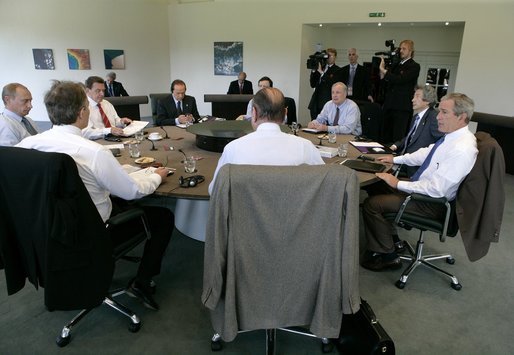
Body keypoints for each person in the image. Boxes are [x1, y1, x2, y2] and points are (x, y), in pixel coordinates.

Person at [16, 80, 174, 311]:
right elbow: (132, 191)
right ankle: (141, 283)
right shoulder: (93, 152)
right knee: (163, 217)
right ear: (82, 112)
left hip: (48, 231)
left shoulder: (25, 147)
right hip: (94, 232)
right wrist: (157, 176)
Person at [360, 93, 478, 271]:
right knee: (377, 184)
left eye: (444, 112)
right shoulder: (452, 138)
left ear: (461, 117)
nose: (437, 116)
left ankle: (388, 256)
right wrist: (395, 159)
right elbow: (426, 153)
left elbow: (436, 189)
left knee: (372, 204)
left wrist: (398, 183)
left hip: (432, 203)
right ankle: (391, 238)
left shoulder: (462, 149)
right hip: (424, 190)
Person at [209, 87, 324, 194]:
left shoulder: (233, 148)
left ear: (253, 113)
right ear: (285, 114)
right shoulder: (306, 147)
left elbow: (214, 190)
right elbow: (324, 186)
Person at [390, 85, 444, 177]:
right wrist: (395, 145)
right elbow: (411, 137)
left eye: (417, 96)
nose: (412, 100)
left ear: (427, 100)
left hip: (417, 167)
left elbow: (441, 143)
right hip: (405, 160)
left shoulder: (434, 117)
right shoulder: (416, 117)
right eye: (413, 96)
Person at [379, 39, 420, 143]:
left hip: (402, 108)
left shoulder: (414, 66)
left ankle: (396, 158)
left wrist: (385, 71)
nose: (401, 51)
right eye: (400, 48)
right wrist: (382, 73)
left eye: (404, 48)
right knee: (385, 135)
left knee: (398, 137)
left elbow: (400, 79)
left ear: (410, 51)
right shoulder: (396, 65)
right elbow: (387, 81)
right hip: (389, 105)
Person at [308, 48, 340, 120]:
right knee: (314, 125)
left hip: (326, 103)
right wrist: (314, 70)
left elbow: (332, 85)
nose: (328, 58)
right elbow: (312, 84)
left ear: (335, 57)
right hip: (315, 103)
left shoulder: (338, 70)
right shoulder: (320, 67)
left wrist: (322, 73)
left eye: (330, 55)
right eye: (327, 55)